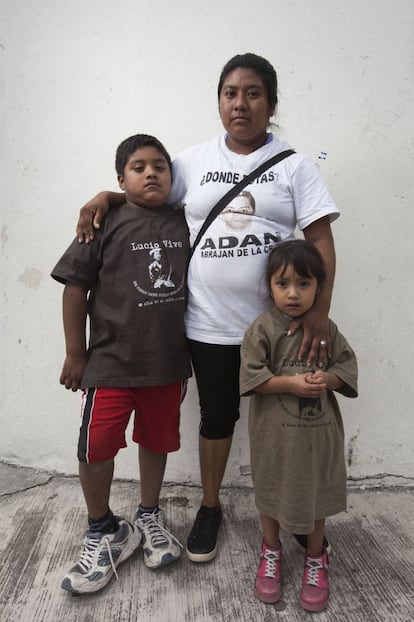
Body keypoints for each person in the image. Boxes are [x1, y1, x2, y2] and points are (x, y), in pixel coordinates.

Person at [75, 53, 339, 563]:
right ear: (220, 101)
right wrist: (105, 196)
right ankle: (212, 507)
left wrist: (317, 311)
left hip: (276, 328)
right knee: (217, 418)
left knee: (290, 419)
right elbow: (146, 192)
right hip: (208, 325)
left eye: (253, 93)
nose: (240, 104)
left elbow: (321, 239)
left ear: (271, 102)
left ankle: (296, 513)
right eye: (230, 93)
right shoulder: (194, 160)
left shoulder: (295, 166)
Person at [51, 134, 191, 594]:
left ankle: (148, 514)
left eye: (159, 166)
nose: (151, 172)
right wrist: (76, 352)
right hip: (110, 364)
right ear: (120, 178)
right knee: (95, 449)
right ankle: (103, 529)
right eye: (138, 166)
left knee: (157, 441)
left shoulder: (184, 218)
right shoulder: (104, 221)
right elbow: (75, 287)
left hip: (166, 365)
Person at [239, 240, 358, 612]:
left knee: (316, 496)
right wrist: (291, 383)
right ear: (269, 286)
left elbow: (346, 368)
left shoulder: (326, 329)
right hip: (272, 438)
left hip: (318, 439)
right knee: (271, 491)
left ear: (319, 288)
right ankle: (271, 550)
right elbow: (252, 378)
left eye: (304, 284)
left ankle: (315, 557)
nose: (293, 293)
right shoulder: (262, 329)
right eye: (283, 283)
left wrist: (329, 381)